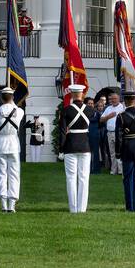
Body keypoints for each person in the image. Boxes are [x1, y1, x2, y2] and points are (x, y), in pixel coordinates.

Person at [0, 86, 23, 212]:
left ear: (2, 98)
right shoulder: (19, 111)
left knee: (1, 174)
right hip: (13, 144)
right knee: (14, 174)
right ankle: (12, 204)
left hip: (0, 144)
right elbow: (14, 106)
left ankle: (3, 204)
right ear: (12, 97)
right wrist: (11, 99)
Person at [59, 84, 94, 212]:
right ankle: (82, 208)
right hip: (85, 145)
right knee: (84, 178)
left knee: (71, 177)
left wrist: (61, 149)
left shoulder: (66, 110)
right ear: (82, 94)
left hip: (70, 146)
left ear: (72, 94)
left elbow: (62, 131)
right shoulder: (90, 110)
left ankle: (73, 208)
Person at [100, 91, 124, 175]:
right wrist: (108, 116)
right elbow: (101, 119)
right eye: (112, 99)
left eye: (115, 98)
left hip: (119, 133)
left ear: (119, 99)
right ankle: (114, 170)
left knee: (120, 151)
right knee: (112, 152)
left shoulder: (122, 107)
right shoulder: (108, 108)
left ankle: (121, 170)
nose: (113, 100)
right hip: (109, 133)